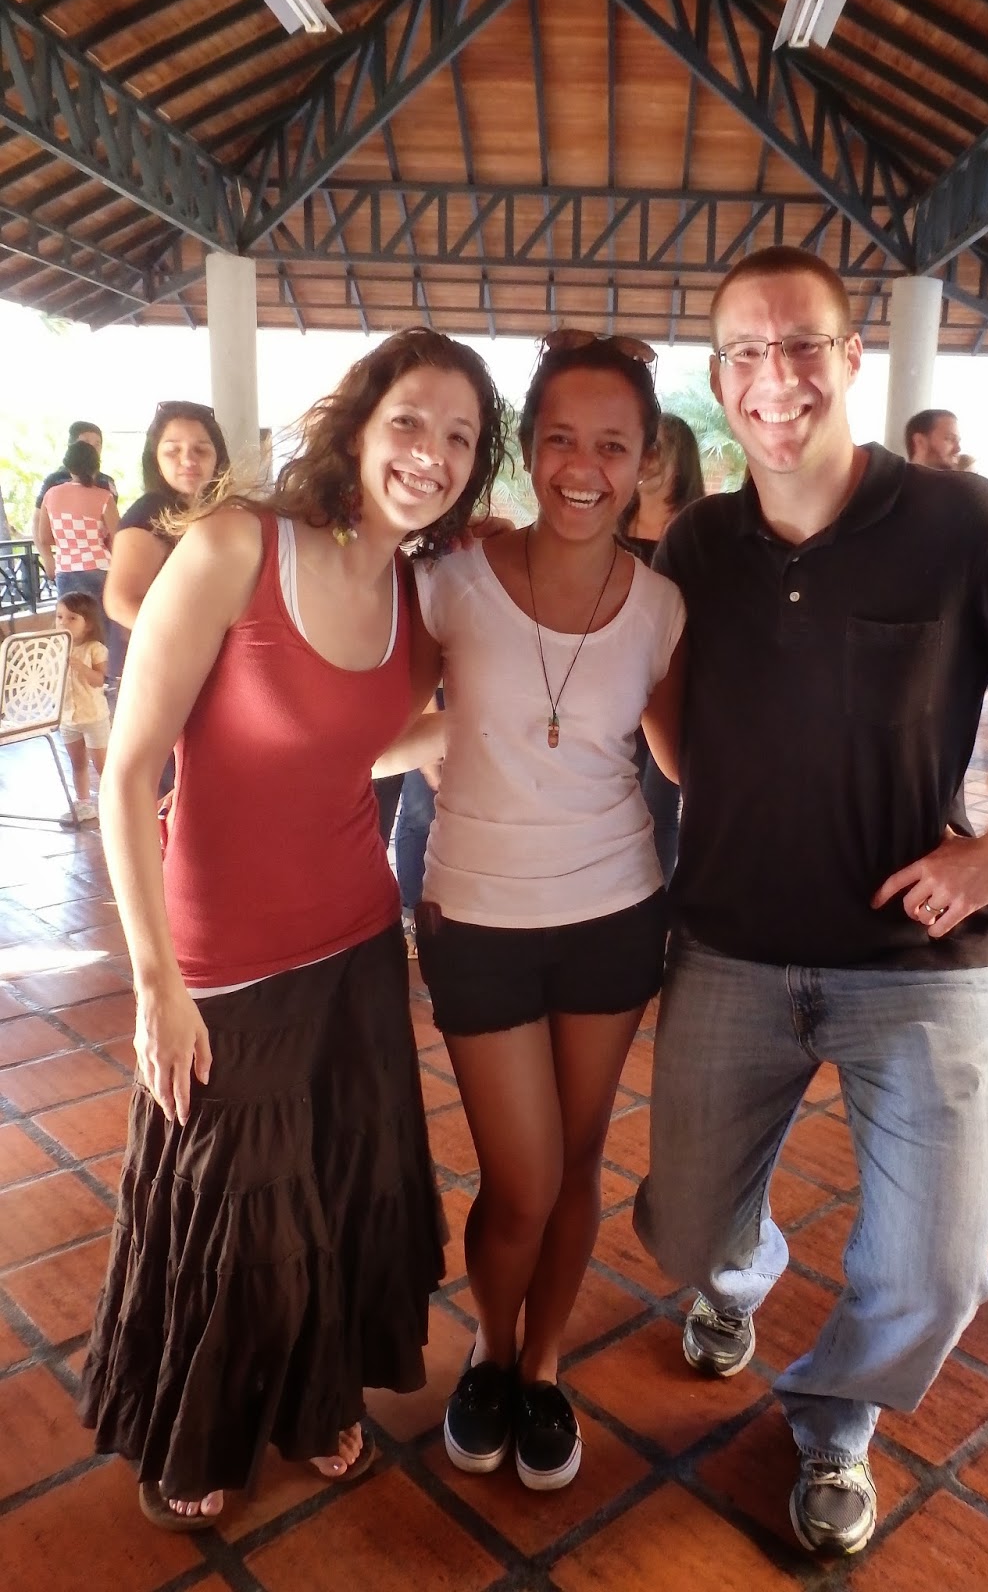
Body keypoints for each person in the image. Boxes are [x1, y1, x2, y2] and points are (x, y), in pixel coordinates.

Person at [631, 246, 988, 1558]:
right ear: (721, 380)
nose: (777, 377)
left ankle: (835, 1417)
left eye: (803, 345)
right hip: (730, 948)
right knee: (684, 1228)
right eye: (747, 352)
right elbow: (673, 735)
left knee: (937, 1275)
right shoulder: (698, 545)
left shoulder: (964, 524)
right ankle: (741, 1274)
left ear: (851, 358)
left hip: (916, 961)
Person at [80, 328, 507, 1531]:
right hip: (222, 954)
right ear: (359, 426)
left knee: (334, 1187)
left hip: (358, 936)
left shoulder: (413, 595)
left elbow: (349, 748)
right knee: (235, 1207)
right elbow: (130, 772)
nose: (429, 453)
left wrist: (467, 727)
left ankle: (319, 1397)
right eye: (410, 421)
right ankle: (205, 1424)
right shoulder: (235, 546)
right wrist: (156, 982)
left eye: (460, 437)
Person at [400, 332, 685, 1493]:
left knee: (577, 1161)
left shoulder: (663, 607)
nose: (584, 466)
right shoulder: (451, 581)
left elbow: (689, 760)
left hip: (615, 910)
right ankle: (490, 1346)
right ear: (525, 447)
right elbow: (375, 720)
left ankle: (543, 1364)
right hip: (476, 915)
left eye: (612, 444)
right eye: (561, 438)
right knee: (519, 1177)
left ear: (645, 459)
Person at [619, 411, 705, 880]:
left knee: (660, 798)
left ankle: (658, 892)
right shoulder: (613, 521)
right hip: (619, 680)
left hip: (677, 684)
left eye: (658, 447)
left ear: (680, 459)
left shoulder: (698, 530)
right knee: (621, 794)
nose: (646, 457)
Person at [103, 401, 230, 638]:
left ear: (218, 459)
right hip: (157, 655)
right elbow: (121, 602)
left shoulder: (213, 515)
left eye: (201, 450)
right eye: (173, 451)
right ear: (156, 461)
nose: (189, 460)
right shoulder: (152, 511)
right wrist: (196, 640)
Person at [35, 439, 118, 606]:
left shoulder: (51, 495)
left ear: (69, 466)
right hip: (100, 567)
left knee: (71, 619)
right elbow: (118, 537)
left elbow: (44, 538)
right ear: (96, 466)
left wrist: (68, 539)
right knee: (100, 619)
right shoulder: (104, 497)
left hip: (66, 569)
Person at [54, 591, 108, 826]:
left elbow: (100, 680)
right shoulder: (57, 648)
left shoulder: (94, 648)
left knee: (102, 765)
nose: (63, 622)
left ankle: (113, 802)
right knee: (77, 764)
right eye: (59, 617)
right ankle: (83, 803)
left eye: (72, 618)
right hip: (68, 718)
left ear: (89, 624)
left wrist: (81, 667)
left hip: (93, 716)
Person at [35, 420, 117, 516]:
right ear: (72, 447)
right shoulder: (54, 480)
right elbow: (39, 518)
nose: (92, 449)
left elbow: (113, 521)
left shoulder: (106, 482)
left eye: (97, 444)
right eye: (86, 443)